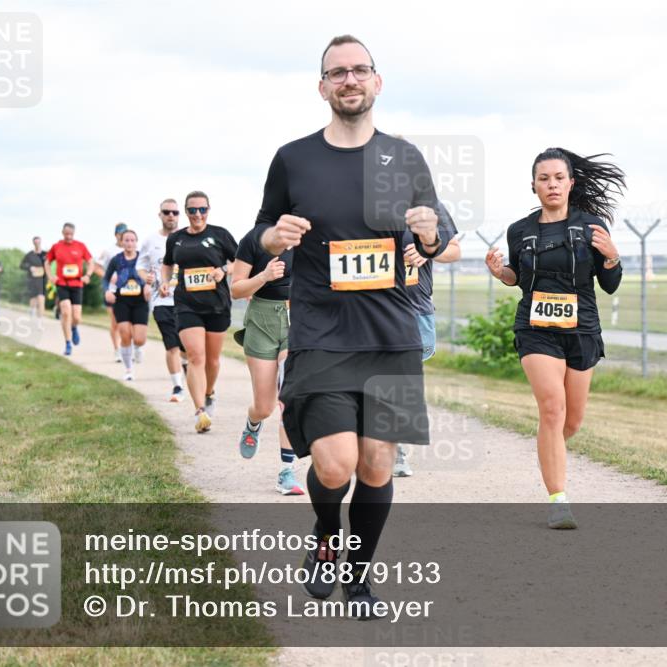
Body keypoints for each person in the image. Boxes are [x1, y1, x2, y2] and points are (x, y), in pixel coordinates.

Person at [257, 35, 454, 617]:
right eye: (337, 72)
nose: (349, 80)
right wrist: (274, 237)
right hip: (322, 333)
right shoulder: (294, 158)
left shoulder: (406, 156)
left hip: (391, 337)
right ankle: (324, 538)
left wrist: (427, 233)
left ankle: (359, 579)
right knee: (335, 462)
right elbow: (262, 228)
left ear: (377, 81)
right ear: (322, 87)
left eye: (359, 70)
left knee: (375, 463)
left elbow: (440, 237)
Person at [485, 147, 625, 530]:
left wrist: (612, 257)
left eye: (558, 178)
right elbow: (519, 280)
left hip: (582, 329)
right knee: (552, 408)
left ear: (570, 183)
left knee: (572, 420)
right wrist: (502, 273)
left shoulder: (591, 226)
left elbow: (609, 285)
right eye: (544, 178)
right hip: (536, 329)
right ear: (533, 186)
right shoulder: (521, 230)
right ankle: (558, 500)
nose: (551, 184)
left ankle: (548, 453)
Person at [230, 223, 303, 495]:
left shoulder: (307, 237)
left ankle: (287, 471)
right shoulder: (253, 238)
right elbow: (236, 290)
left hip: (297, 318)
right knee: (265, 406)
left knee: (288, 399)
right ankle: (253, 423)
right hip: (261, 320)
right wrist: (264, 276)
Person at [161, 191, 238, 433]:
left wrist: (223, 269)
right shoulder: (176, 239)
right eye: (192, 210)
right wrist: (164, 281)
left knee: (213, 361)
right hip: (187, 304)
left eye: (202, 209)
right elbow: (167, 263)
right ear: (186, 211)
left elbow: (239, 261)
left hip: (217, 305)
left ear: (208, 210)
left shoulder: (220, 234)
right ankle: (200, 411)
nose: (197, 214)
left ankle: (209, 392)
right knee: (196, 356)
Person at [394, 204, 461, 477]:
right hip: (372, 305)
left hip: (416, 307)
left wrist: (427, 250)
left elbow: (454, 250)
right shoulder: (358, 200)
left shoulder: (430, 206)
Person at [138, 199, 187, 402]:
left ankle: (188, 372)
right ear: (160, 214)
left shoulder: (187, 238)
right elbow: (140, 266)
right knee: (172, 345)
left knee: (187, 347)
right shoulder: (150, 241)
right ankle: (177, 386)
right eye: (166, 212)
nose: (171, 216)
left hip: (187, 301)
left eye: (175, 212)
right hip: (162, 300)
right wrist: (145, 278)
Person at [104, 230, 150, 381]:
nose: (129, 243)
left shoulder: (143, 259)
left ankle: (137, 347)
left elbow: (153, 274)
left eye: (132, 240)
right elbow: (106, 278)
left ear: (136, 242)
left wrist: (148, 286)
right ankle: (128, 369)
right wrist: (107, 292)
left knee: (139, 339)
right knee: (124, 333)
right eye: (127, 240)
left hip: (140, 301)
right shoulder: (116, 260)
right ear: (122, 242)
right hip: (121, 300)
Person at [45, 223, 94, 356]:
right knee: (66, 312)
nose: (68, 236)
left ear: (74, 233)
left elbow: (90, 261)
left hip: (77, 284)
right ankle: (67, 343)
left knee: (77, 317)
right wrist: (50, 276)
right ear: (62, 232)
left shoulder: (80, 246)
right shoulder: (56, 247)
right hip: (62, 283)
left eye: (70, 234)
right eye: (66, 234)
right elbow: (47, 262)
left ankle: (74, 327)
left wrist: (88, 275)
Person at [96, 223, 127, 363]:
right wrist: (108, 277)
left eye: (125, 233)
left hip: (129, 291)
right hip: (111, 290)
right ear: (116, 235)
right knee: (116, 322)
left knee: (127, 322)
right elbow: (97, 267)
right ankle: (117, 350)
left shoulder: (133, 249)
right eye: (120, 233)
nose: (123, 236)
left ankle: (127, 348)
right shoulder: (108, 251)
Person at [20, 237, 48, 322]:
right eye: (35, 243)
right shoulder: (29, 255)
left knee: (41, 299)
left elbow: (51, 264)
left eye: (38, 242)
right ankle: (31, 311)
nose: (37, 244)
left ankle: (40, 321)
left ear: (40, 243)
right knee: (33, 300)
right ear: (33, 243)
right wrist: (30, 267)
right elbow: (21, 265)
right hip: (32, 280)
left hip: (42, 280)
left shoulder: (45, 254)